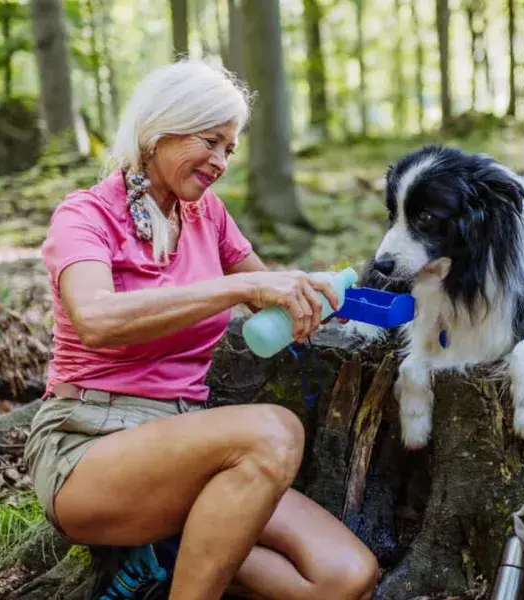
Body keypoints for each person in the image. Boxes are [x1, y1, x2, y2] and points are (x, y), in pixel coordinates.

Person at [24, 59, 379, 600]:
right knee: (273, 430)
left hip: (196, 454)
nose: (220, 162)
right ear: (160, 129)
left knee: (344, 576)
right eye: (210, 141)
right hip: (87, 445)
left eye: (230, 149)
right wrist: (235, 290)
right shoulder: (86, 215)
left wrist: (322, 297)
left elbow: (269, 289)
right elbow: (95, 320)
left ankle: (162, 556)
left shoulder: (207, 216)